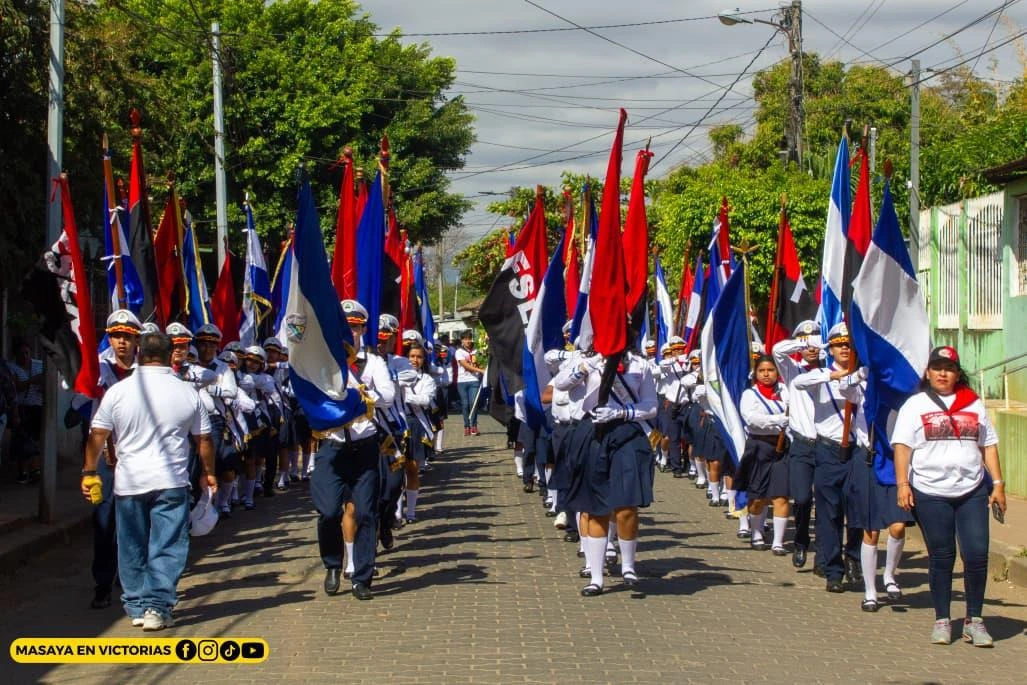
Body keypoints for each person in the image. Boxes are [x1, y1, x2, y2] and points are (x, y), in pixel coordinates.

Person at [80, 331, 215, 631]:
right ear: (170, 355)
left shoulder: (118, 392)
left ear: (139, 352)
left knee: (131, 545)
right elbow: (203, 439)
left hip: (129, 483)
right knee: (167, 545)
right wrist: (209, 473)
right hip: (172, 482)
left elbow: (97, 435)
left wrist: (89, 472)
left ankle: (137, 605)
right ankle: (157, 606)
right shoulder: (187, 393)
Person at [892, 345, 1005, 646]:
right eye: (937, 367)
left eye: (949, 368)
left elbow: (988, 445)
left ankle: (974, 620)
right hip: (930, 491)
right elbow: (902, 446)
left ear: (958, 373)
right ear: (928, 373)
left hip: (972, 489)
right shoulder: (914, 406)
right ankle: (943, 619)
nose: (943, 373)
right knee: (942, 556)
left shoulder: (974, 404)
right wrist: (903, 484)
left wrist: (998, 483)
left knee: (977, 554)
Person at [310, 299, 389, 600]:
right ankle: (333, 564)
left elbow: (388, 396)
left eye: (355, 327)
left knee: (367, 512)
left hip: (365, 447)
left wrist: (359, 393)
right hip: (332, 447)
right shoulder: (321, 364)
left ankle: (362, 577)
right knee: (329, 511)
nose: (351, 332)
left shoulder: (373, 363)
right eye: (345, 327)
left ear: (362, 329)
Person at [793, 322, 868, 593]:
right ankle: (833, 569)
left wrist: (856, 377)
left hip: (856, 451)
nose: (844, 348)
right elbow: (798, 382)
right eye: (839, 344)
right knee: (829, 512)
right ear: (831, 349)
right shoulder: (820, 376)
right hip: (827, 450)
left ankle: (854, 557)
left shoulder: (863, 375)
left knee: (858, 510)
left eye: (849, 344)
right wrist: (834, 377)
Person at [87, 309, 142, 610]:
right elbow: (77, 390)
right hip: (105, 457)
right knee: (104, 521)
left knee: (133, 521)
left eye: (128, 337)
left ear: (136, 340)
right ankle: (102, 583)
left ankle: (129, 577)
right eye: (116, 336)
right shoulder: (96, 367)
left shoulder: (147, 371)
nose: (122, 342)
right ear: (109, 338)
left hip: (136, 455)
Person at [772, 320, 823, 569]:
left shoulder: (832, 370)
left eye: (816, 339)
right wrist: (804, 343)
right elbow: (777, 350)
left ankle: (826, 550)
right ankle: (801, 539)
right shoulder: (793, 370)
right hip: (802, 445)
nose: (812, 346)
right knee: (802, 499)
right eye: (806, 340)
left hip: (827, 444)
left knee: (828, 502)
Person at [8, 338, 44, 484]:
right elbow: (14, 387)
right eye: (21, 354)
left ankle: (34, 470)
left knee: (34, 440)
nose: (25, 356)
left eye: (27, 353)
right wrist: (32, 381)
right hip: (21, 408)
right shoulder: (11, 368)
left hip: (37, 406)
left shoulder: (39, 365)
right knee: (23, 440)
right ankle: (24, 472)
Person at [455, 330, 484, 436]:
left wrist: (482, 367)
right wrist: (480, 371)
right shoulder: (459, 352)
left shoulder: (477, 350)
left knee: (473, 403)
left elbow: (480, 362)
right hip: (462, 381)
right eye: (465, 339)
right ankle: (466, 426)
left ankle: (474, 426)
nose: (467, 341)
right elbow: (465, 365)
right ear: (462, 340)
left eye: (469, 339)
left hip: (474, 380)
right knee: (465, 404)